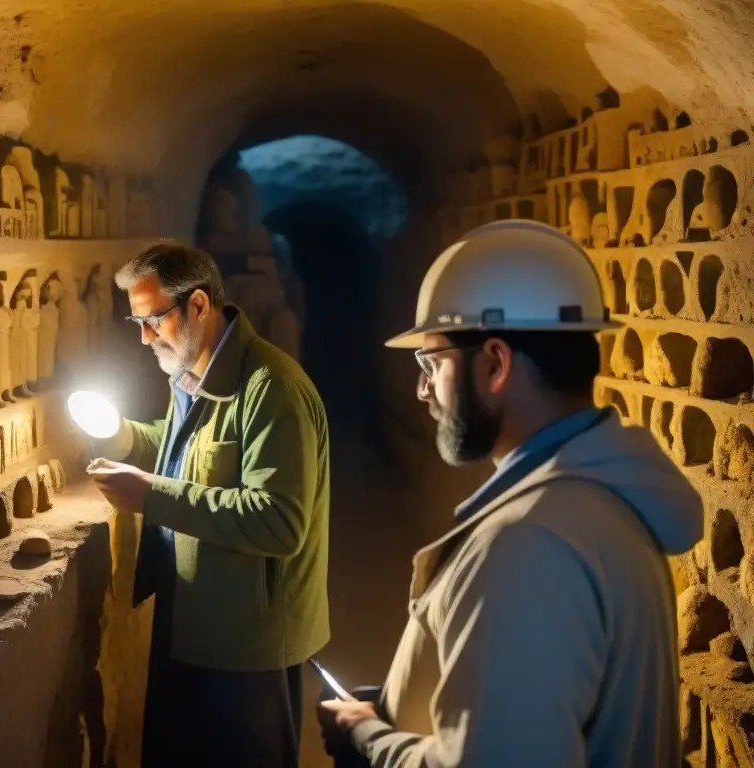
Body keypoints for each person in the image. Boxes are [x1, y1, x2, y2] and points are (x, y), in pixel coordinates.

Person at [317, 219, 702, 767]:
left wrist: (367, 739)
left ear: (494, 364)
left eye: (433, 363)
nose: (423, 389)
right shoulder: (601, 496)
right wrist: (398, 708)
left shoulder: (527, 546)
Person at [84, 243, 330, 767]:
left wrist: (150, 495)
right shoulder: (193, 373)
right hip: (192, 622)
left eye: (153, 319)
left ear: (197, 305)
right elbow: (194, 455)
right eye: (137, 321)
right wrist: (125, 436)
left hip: (247, 644)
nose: (144, 337)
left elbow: (279, 520)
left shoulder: (271, 388)